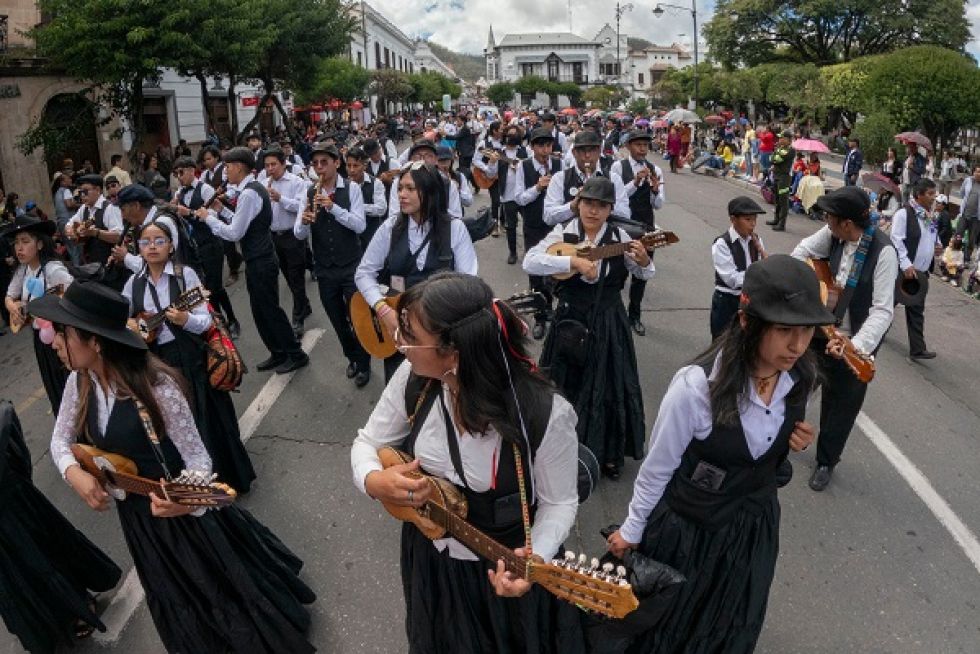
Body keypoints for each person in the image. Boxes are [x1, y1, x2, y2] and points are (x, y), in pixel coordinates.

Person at [35, 281, 316, 654]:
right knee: (171, 590)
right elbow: (58, 440)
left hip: (182, 513)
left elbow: (199, 460)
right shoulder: (80, 381)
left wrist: (185, 501)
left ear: (95, 342)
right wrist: (75, 473)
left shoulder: (157, 387)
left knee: (213, 584)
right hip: (138, 519)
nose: (54, 341)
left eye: (64, 333)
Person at [349, 272, 583, 654]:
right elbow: (368, 441)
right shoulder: (415, 379)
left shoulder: (543, 415)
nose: (400, 345)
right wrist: (373, 480)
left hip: (496, 573)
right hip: (430, 556)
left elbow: (560, 502)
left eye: (411, 338)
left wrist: (534, 559)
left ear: (453, 352)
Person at [605, 255, 827, 653]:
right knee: (670, 632)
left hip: (751, 533)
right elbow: (658, 468)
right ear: (747, 322)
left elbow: (766, 456)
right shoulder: (696, 387)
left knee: (732, 625)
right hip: (690, 533)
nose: (798, 345)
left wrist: (791, 444)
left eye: (807, 330)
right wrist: (632, 530)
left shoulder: (800, 378)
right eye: (783, 330)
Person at [525, 177, 653, 481]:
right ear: (579, 204)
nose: (593, 211)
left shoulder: (621, 236)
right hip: (570, 316)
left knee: (609, 384)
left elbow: (641, 271)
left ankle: (606, 451)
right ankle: (560, 450)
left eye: (601, 206)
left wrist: (644, 260)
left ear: (610, 209)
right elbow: (530, 261)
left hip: (609, 319)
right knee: (563, 382)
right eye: (588, 203)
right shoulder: (564, 232)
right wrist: (573, 261)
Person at [122, 220, 256, 492]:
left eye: (159, 240)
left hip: (190, 357)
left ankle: (228, 480)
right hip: (155, 363)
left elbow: (206, 321)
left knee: (209, 418)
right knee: (176, 422)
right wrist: (135, 327)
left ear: (171, 246)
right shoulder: (133, 283)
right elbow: (123, 321)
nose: (152, 247)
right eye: (146, 242)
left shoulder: (185, 277)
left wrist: (184, 320)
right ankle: (193, 483)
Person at [790, 186, 898, 490]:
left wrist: (855, 345)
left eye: (830, 216)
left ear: (847, 223)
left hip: (854, 343)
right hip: (822, 332)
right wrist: (819, 283)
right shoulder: (832, 233)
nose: (826, 220)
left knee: (841, 407)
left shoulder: (883, 251)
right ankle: (781, 441)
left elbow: (882, 310)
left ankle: (826, 461)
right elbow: (799, 253)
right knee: (795, 388)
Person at [0, 399, 122, 652]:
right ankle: (42, 623)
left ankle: (76, 602)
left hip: (10, 495)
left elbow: (5, 418)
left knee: (43, 548)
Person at [355, 162, 478, 381]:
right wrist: (384, 311)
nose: (401, 194)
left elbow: (469, 284)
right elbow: (364, 273)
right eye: (400, 188)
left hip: (440, 335)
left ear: (430, 192)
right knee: (401, 395)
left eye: (410, 189)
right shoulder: (390, 228)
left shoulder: (455, 229)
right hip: (398, 333)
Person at [193, 147, 310, 374]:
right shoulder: (251, 190)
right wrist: (219, 211)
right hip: (258, 258)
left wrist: (208, 219)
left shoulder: (249, 192)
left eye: (227, 167)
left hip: (261, 259)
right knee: (260, 311)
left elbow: (235, 233)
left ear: (238, 167)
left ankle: (296, 354)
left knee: (270, 310)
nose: (226, 172)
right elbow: (242, 221)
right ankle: (277, 352)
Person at [297, 143, 371, 388]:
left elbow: (360, 226)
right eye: (315, 163)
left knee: (357, 317)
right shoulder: (308, 192)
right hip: (325, 268)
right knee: (337, 319)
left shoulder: (351, 189)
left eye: (324, 162)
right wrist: (305, 222)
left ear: (336, 163)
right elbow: (298, 234)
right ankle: (352, 356)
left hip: (350, 265)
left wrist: (333, 207)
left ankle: (364, 362)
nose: (319, 168)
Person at [3, 215, 73, 412]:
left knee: (68, 385)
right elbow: (9, 296)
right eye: (16, 243)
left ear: (40, 244)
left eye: (25, 241)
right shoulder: (23, 270)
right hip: (39, 339)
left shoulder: (53, 269)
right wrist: (14, 307)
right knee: (53, 386)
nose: (19, 248)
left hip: (60, 337)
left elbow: (72, 294)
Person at [169, 156, 241, 339]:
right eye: (176, 174)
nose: (179, 177)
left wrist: (191, 213)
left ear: (192, 170)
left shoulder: (205, 189)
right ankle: (218, 322)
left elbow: (213, 215)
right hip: (193, 247)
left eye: (181, 172)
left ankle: (232, 320)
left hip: (210, 244)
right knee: (203, 289)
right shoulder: (180, 192)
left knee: (215, 286)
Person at [611, 130, 666, 336]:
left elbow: (659, 204)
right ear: (628, 147)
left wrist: (654, 190)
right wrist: (635, 182)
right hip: (623, 225)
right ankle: (614, 314)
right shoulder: (619, 167)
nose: (642, 149)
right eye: (638, 145)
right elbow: (616, 197)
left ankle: (634, 315)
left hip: (645, 226)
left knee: (641, 273)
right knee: (618, 269)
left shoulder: (655, 169)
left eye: (645, 145)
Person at [515, 128, 565, 340]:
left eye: (548, 145)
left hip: (556, 226)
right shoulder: (523, 166)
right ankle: (540, 316)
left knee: (558, 270)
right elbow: (519, 198)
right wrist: (537, 187)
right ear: (532, 147)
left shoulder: (560, 165)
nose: (545, 150)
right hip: (533, 225)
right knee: (536, 273)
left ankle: (553, 309)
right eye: (540, 146)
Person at [259, 147, 314, 338]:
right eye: (267, 165)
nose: (270, 169)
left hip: (293, 235)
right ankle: (304, 305)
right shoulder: (264, 182)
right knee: (288, 277)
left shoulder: (296, 182)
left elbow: (300, 206)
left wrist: (280, 198)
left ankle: (298, 317)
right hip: (274, 236)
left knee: (296, 276)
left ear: (283, 164)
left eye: (274, 164)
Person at [891, 178, 942, 360]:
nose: (933, 197)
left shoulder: (930, 215)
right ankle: (867, 328)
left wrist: (938, 245)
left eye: (934, 193)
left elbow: (932, 235)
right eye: (930, 193)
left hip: (920, 273)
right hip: (904, 271)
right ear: (919, 195)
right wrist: (905, 264)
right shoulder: (904, 214)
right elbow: (896, 240)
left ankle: (918, 349)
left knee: (916, 309)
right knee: (887, 305)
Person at [543, 130, 631, 227]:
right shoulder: (559, 178)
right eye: (582, 150)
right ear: (574, 152)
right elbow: (548, 217)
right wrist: (572, 206)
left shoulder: (613, 179)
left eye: (592, 150)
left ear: (599, 152)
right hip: (569, 239)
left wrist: (604, 201)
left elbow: (626, 214)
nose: (587, 156)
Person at [711, 196, 768, 339]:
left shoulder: (756, 240)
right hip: (727, 301)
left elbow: (762, 265)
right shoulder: (722, 243)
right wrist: (758, 277)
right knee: (722, 342)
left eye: (754, 219)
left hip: (748, 301)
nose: (753, 224)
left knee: (745, 342)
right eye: (748, 220)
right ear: (733, 219)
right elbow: (732, 278)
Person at [480, 124, 529, 264]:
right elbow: (490, 174)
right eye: (509, 134)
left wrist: (520, 167)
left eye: (515, 135)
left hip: (525, 195)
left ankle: (529, 250)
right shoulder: (498, 153)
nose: (512, 137)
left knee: (528, 224)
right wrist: (491, 162)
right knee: (510, 226)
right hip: (508, 196)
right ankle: (512, 252)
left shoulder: (526, 152)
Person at [66, 174, 124, 268]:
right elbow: (69, 224)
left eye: (85, 191)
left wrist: (95, 233)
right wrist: (71, 231)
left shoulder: (109, 208)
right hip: (91, 266)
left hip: (109, 265)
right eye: (80, 192)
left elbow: (118, 236)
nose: (82, 196)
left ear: (97, 190)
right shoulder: (84, 208)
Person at [346, 146, 389, 249]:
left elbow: (381, 209)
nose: (351, 170)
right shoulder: (343, 186)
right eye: (348, 165)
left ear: (364, 165)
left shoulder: (376, 183)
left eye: (356, 166)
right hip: (350, 240)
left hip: (372, 238)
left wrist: (358, 207)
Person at [765, 131, 795, 231]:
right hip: (777, 176)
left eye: (782, 138)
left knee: (783, 201)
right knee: (777, 199)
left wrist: (775, 158)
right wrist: (775, 158)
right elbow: (772, 158)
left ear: (788, 139)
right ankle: (776, 219)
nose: (780, 140)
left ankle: (782, 224)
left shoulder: (791, 150)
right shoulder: (780, 148)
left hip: (784, 178)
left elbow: (778, 159)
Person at [956, 165, 980, 260]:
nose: (978, 174)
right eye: (977, 171)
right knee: (958, 235)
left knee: (971, 240)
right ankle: (954, 255)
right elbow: (962, 193)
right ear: (973, 172)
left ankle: (966, 259)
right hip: (964, 214)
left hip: (976, 218)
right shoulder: (968, 180)